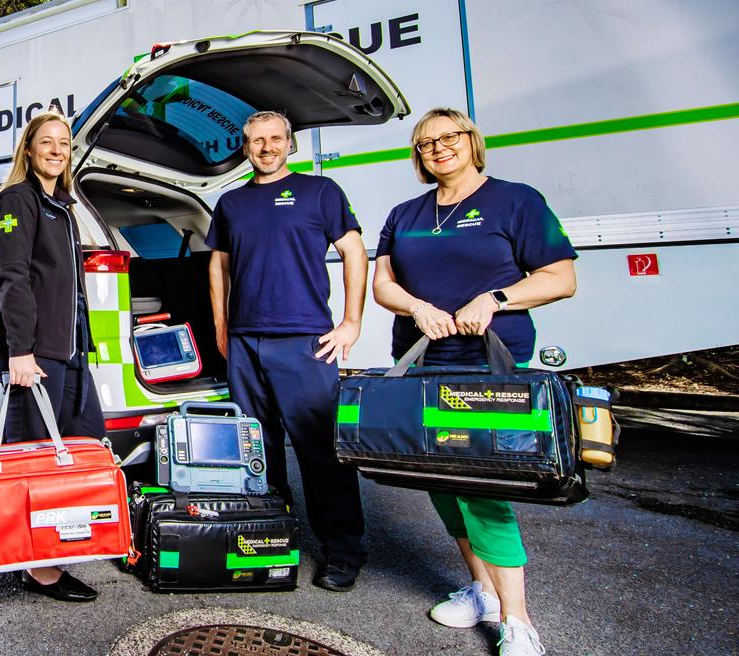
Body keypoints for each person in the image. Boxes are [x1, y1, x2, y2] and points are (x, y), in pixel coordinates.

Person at [372, 107, 577, 656]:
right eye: (424, 143)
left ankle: (517, 621)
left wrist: (497, 298)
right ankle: (482, 590)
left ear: (471, 140)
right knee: (439, 481)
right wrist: (417, 307)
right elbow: (383, 285)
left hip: (490, 363)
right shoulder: (406, 213)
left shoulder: (516, 200)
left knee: (484, 487)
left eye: (448, 137)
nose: (437, 148)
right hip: (423, 362)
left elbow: (561, 277)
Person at [206, 110, 370, 592]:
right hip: (245, 341)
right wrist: (222, 325)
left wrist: (352, 323)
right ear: (245, 147)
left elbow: (355, 251)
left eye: (275, 138)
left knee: (320, 450)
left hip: (305, 342)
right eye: (256, 140)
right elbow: (219, 265)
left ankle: (343, 550)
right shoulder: (231, 202)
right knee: (258, 449)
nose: (266, 147)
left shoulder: (321, 191)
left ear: (290, 144)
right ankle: (272, 541)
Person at [0, 109, 105, 603]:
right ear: (28, 150)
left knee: (78, 447)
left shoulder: (63, 207)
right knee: (37, 458)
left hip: (69, 352)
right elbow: (13, 278)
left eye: (65, 143)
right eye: (47, 142)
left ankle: (60, 547)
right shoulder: (16, 201)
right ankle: (40, 569)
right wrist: (20, 351)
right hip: (35, 356)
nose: (57, 150)